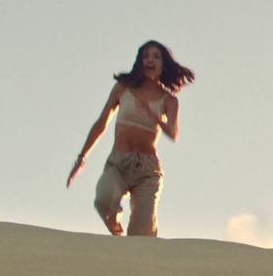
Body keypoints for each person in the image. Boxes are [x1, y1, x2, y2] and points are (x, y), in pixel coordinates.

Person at [66, 40, 193, 236]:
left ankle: (137, 256)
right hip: (119, 162)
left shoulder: (169, 101)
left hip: (147, 170)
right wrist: (81, 157)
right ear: (140, 61)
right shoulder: (123, 88)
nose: (150, 60)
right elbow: (101, 124)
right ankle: (117, 233)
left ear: (163, 64)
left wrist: (153, 115)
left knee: (143, 232)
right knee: (103, 199)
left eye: (156, 56)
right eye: (146, 56)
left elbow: (173, 133)